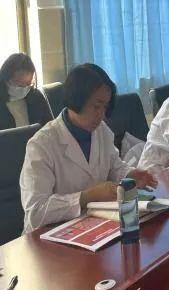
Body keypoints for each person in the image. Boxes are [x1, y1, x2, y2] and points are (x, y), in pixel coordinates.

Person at [20, 64, 156, 232]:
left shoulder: (101, 131)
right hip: (48, 236)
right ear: (76, 100)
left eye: (105, 107)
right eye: (96, 106)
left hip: (91, 225)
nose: (101, 115)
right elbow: (35, 212)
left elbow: (114, 166)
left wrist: (130, 174)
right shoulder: (41, 145)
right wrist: (86, 197)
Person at [0, 53, 53, 130]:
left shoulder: (36, 96)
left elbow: (49, 126)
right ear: (6, 79)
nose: (24, 88)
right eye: (19, 85)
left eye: (28, 84)